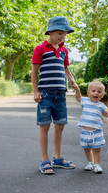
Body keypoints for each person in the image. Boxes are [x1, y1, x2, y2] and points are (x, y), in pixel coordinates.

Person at [31, 16, 77, 175]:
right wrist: (36, 91)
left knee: (60, 126)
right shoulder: (40, 49)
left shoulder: (64, 50)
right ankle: (45, 160)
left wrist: (71, 80)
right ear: (50, 32)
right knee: (44, 126)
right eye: (59, 33)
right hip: (45, 94)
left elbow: (66, 69)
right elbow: (34, 72)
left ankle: (57, 158)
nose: (62, 37)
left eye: (65, 34)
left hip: (60, 94)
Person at [71, 80, 108, 173]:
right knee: (86, 148)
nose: (96, 93)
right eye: (93, 91)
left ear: (102, 95)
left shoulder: (101, 105)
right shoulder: (85, 101)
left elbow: (106, 113)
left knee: (97, 149)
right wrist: (77, 89)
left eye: (99, 92)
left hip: (96, 132)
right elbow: (78, 97)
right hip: (85, 132)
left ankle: (97, 164)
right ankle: (90, 162)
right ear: (88, 93)